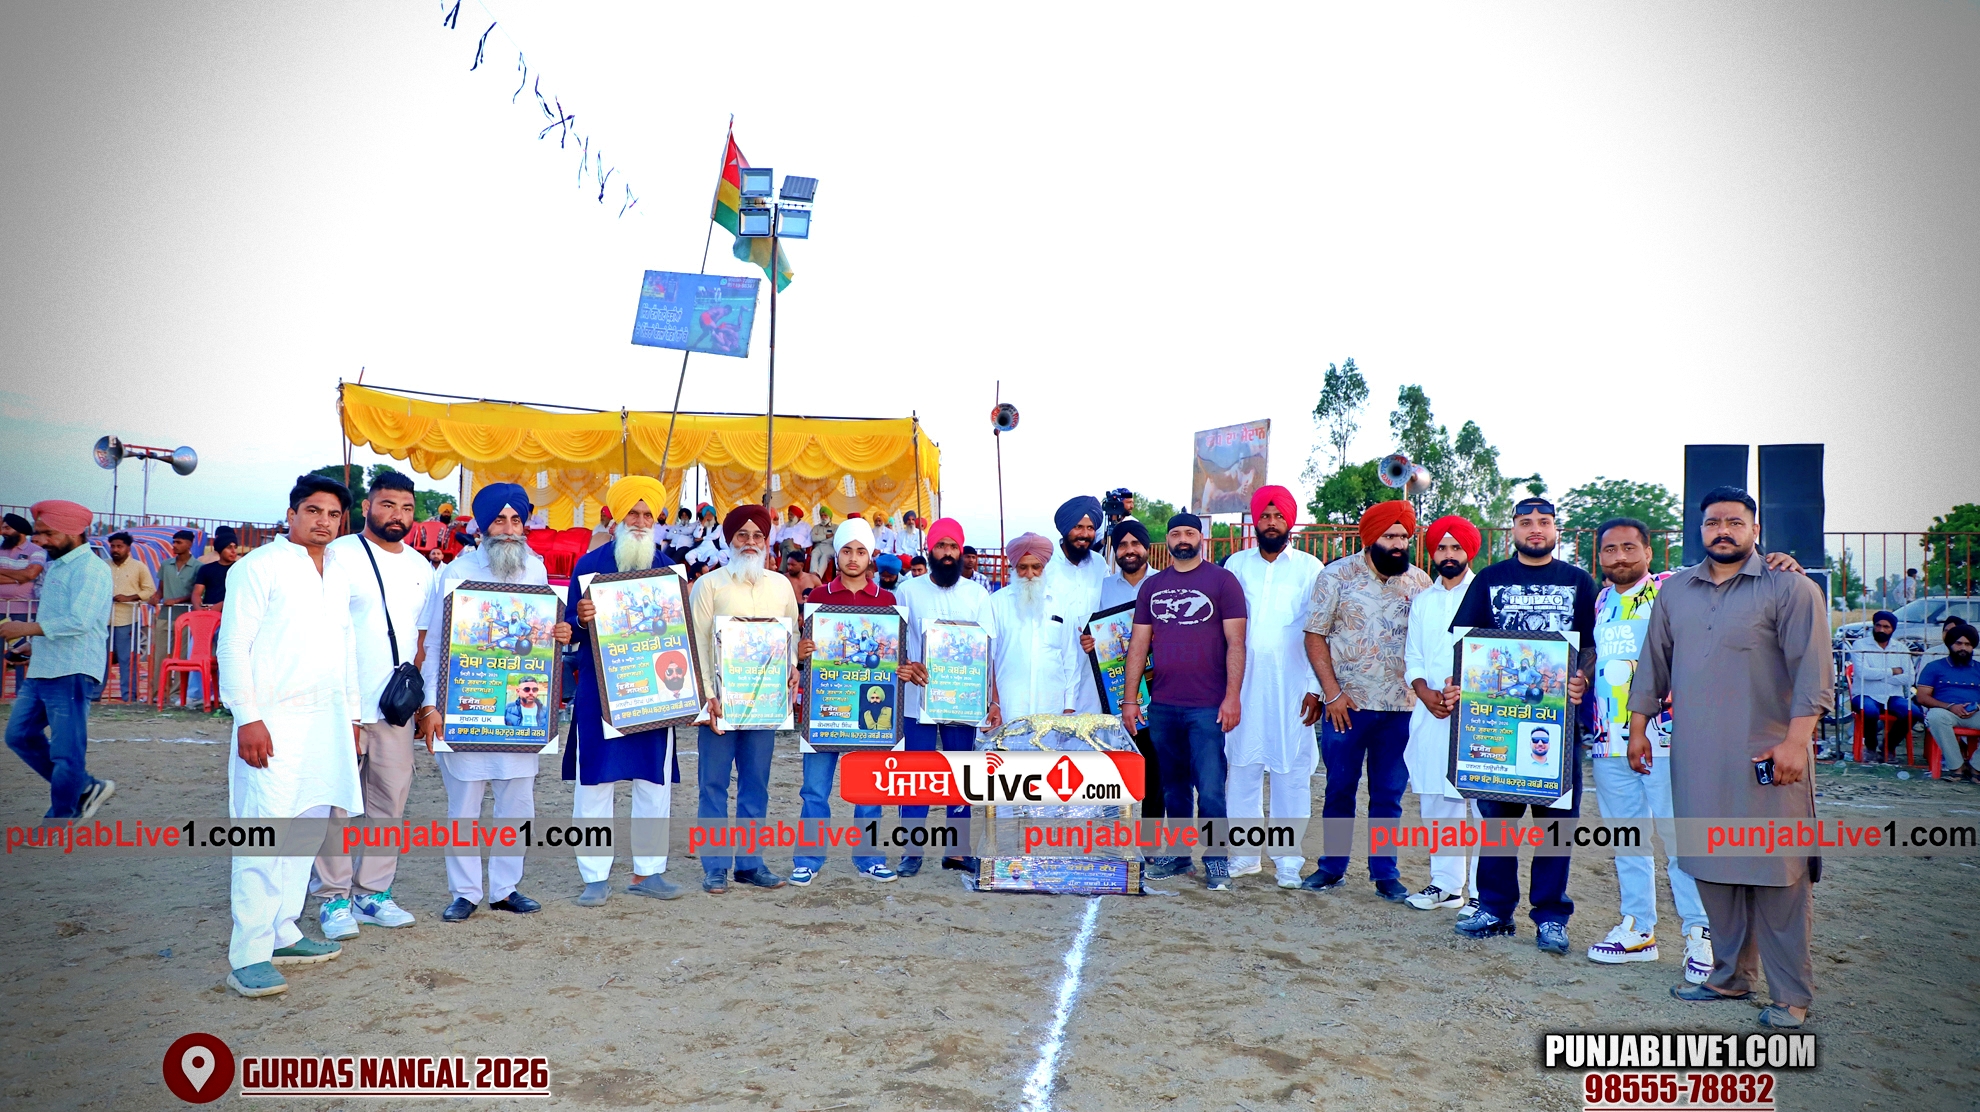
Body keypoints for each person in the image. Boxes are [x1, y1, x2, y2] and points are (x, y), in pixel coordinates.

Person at [1635, 486, 1829, 1029]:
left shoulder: (1791, 587)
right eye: (1713, 522)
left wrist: (1796, 742)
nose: (1723, 531)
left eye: (1735, 522)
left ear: (1755, 529)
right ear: (1700, 529)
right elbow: (1653, 663)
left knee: (1778, 873)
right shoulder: (1676, 591)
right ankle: (1729, 976)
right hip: (1696, 756)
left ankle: (1791, 995)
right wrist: (1638, 729)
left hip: (1769, 755)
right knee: (1710, 866)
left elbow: (1814, 671)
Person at [216, 476, 365, 999]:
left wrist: (352, 718)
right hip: (272, 723)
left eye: (333, 513)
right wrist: (247, 717)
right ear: (292, 514)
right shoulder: (258, 567)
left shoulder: (338, 573)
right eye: (313, 510)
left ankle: (283, 932)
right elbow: (233, 645)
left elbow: (345, 648)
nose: (323, 521)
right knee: (264, 833)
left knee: (305, 831)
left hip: (327, 725)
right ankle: (249, 954)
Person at [1441, 496, 1598, 954]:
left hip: (1556, 724)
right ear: (1513, 529)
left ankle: (1551, 916)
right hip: (1498, 721)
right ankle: (1495, 908)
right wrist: (1457, 683)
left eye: (1544, 522)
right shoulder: (1490, 579)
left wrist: (1581, 676)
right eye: (1526, 522)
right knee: (1497, 824)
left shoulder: (1578, 581)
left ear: (1555, 529)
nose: (1535, 529)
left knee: (1555, 825)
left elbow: (1591, 644)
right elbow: (1467, 643)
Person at [415, 483, 571, 922]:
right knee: (463, 806)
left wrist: (560, 633)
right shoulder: (456, 572)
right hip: (466, 705)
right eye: (499, 520)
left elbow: (542, 637)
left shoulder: (535, 570)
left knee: (517, 806)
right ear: (482, 526)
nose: (508, 529)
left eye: (515, 520)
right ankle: (465, 892)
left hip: (520, 709)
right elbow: (436, 644)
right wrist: (430, 706)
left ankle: (505, 889)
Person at [1583, 517, 1713, 981]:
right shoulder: (1602, 600)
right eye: (1610, 549)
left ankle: (1701, 933)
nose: (1620, 557)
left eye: (1629, 548)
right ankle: (1638, 929)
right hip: (1609, 740)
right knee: (1626, 839)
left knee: (1681, 841)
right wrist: (1582, 678)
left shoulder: (1670, 588)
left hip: (1665, 738)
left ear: (1648, 553)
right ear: (1600, 556)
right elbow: (1605, 659)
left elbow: (1729, 570)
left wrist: (1781, 561)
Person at [313, 470, 431, 939]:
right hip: (342, 705)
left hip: (394, 709)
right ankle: (333, 897)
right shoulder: (338, 555)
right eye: (387, 505)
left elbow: (421, 643)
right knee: (337, 805)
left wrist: (422, 705)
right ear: (366, 506)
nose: (397, 515)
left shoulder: (421, 567)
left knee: (389, 804)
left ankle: (373, 893)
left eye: (406, 508)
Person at [566, 476, 685, 905]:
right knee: (594, 783)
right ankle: (594, 876)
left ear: (656, 521)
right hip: (599, 692)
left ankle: (648, 872)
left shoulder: (670, 571)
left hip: (655, 691)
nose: (639, 521)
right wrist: (581, 618)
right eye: (632, 514)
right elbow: (569, 630)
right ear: (616, 519)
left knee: (654, 782)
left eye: (647, 515)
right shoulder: (589, 566)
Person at [1301, 500, 1429, 899]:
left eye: (1403, 537)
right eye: (1390, 536)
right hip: (1347, 707)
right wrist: (1332, 694)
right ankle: (1332, 867)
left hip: (1402, 708)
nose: (1398, 544)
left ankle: (1385, 873)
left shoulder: (1420, 582)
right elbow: (1315, 636)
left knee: (1389, 795)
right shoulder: (1336, 575)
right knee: (1340, 789)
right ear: (1371, 538)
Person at [1121, 512, 1247, 890]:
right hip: (1163, 705)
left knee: (1210, 789)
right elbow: (1138, 645)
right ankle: (1178, 856)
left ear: (1201, 537)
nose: (1182, 539)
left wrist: (1232, 697)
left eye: (1189, 532)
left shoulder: (1223, 581)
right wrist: (1130, 701)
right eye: (1175, 533)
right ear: (1168, 541)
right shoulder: (1152, 586)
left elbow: (1237, 643)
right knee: (1173, 788)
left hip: (1207, 705)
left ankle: (1217, 859)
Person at [690, 504, 801, 893]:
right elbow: (698, 644)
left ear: (767, 541)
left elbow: (790, 636)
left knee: (756, 783)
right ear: (729, 540)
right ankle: (715, 867)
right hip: (720, 704)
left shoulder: (781, 586)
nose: (750, 542)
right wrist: (708, 696)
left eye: (758, 536)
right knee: (713, 785)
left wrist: (792, 667)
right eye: (742, 535)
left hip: (764, 704)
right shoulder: (709, 585)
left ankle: (751, 864)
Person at [1222, 486, 1324, 887]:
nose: (1271, 523)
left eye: (1278, 516)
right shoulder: (1236, 564)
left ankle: (1287, 862)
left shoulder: (1310, 568)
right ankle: (1245, 857)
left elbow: (1319, 630)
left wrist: (1315, 688)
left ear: (1289, 522)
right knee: (1241, 770)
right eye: (1264, 516)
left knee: (1291, 775)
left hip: (1293, 687)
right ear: (1254, 521)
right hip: (1243, 687)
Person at [790, 515, 899, 885]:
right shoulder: (819, 597)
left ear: (871, 556)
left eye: (861, 551)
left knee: (868, 788)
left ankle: (869, 858)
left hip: (869, 708)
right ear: (836, 554)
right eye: (847, 551)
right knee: (814, 790)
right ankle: (808, 859)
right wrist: (801, 653)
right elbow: (803, 655)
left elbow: (892, 655)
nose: (853, 558)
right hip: (826, 708)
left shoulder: (887, 601)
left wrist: (898, 666)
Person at [895, 517, 1001, 877]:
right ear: (930, 549)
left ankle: (957, 850)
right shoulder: (908, 591)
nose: (947, 553)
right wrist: (907, 664)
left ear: (960, 550)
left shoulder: (977, 595)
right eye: (941, 546)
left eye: (953, 547)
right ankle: (911, 851)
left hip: (963, 700)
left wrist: (992, 699)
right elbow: (896, 642)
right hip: (917, 700)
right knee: (917, 774)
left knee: (961, 772)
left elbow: (987, 651)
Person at [2, 501, 116, 823]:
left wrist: (25, 628)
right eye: (38, 533)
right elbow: (57, 620)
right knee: (19, 736)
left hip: (73, 669)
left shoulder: (91, 569)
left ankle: (60, 818)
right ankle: (86, 788)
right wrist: (30, 645)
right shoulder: (58, 566)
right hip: (44, 667)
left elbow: (80, 621)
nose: (39, 540)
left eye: (47, 533)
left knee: (66, 752)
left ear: (74, 532)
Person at [1399, 515, 1484, 913]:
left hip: (1479, 712)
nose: (1448, 554)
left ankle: (1484, 893)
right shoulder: (1424, 600)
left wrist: (1465, 687)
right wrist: (1424, 691)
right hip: (1431, 710)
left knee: (1483, 805)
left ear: (1469, 551)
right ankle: (1447, 886)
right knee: (1437, 799)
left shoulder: (1486, 595)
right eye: (1441, 548)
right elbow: (1413, 655)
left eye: (1456, 547)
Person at [1082, 518, 1164, 825]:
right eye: (1122, 545)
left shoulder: (1164, 583)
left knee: (1155, 769)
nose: (1129, 550)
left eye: (1135, 544)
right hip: (1115, 689)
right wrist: (1089, 641)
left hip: (1157, 687)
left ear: (1146, 548)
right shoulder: (1102, 588)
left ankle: (1150, 841)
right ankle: (1113, 837)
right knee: (1114, 767)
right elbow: (1093, 628)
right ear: (1115, 551)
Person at [991, 534, 1080, 719]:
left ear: (1044, 567)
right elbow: (988, 660)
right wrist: (993, 702)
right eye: (1023, 567)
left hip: (1051, 708)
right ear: (1014, 567)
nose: (1030, 574)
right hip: (1008, 707)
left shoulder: (1061, 604)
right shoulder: (996, 603)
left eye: (1036, 567)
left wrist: (1069, 706)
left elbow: (1070, 657)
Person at [1043, 497, 1109, 714]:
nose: (1085, 534)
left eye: (1090, 528)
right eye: (1078, 527)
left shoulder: (1099, 565)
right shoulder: (1046, 564)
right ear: (1065, 529)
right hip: (1053, 661)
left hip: (1090, 664)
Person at [1846, 610, 1918, 763]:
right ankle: (1870, 748)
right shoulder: (1860, 645)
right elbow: (1863, 673)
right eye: (1878, 625)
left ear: (1893, 629)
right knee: (1869, 711)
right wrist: (1892, 671)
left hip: (1893, 695)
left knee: (1914, 712)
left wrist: (1880, 677)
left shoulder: (1900, 648)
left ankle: (1887, 748)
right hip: (1865, 693)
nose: (1881, 630)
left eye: (1886, 627)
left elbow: (1909, 678)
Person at [1916, 624, 1980, 781]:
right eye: (1959, 643)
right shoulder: (1934, 667)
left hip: (1975, 713)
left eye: (1967, 644)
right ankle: (1957, 767)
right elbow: (1922, 697)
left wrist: (1977, 707)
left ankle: (1976, 767)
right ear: (1950, 645)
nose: (1963, 648)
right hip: (1946, 712)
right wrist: (1950, 707)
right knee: (1935, 717)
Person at [103, 531, 156, 703]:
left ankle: (129, 696)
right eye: (113, 546)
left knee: (127, 659)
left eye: (119, 546)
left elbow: (150, 590)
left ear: (128, 548)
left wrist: (129, 597)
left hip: (127, 619)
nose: (115, 550)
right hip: (103, 620)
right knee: (100, 658)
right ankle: (95, 694)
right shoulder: (103, 566)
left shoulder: (138, 567)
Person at [149, 529, 201, 701]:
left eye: (179, 542)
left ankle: (177, 693)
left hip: (185, 617)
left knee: (182, 656)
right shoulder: (166, 565)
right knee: (160, 655)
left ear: (189, 544)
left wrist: (177, 600)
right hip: (165, 615)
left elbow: (197, 592)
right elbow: (161, 589)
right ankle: (158, 693)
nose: (174, 545)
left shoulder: (198, 567)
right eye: (174, 542)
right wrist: (156, 597)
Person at [192, 526, 242, 610]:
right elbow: (197, 593)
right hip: (210, 613)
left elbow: (242, 593)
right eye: (229, 547)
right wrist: (198, 608)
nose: (233, 551)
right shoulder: (206, 569)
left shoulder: (240, 569)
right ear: (220, 549)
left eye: (235, 547)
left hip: (232, 611)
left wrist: (221, 605)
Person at [808, 505, 837, 577]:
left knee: (825, 556)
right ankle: (813, 574)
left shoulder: (835, 527)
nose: (823, 517)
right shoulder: (816, 527)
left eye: (825, 515)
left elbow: (834, 539)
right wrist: (826, 536)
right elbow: (813, 538)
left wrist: (819, 537)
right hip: (818, 547)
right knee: (814, 553)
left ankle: (818, 576)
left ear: (830, 517)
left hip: (830, 547)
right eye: (822, 516)